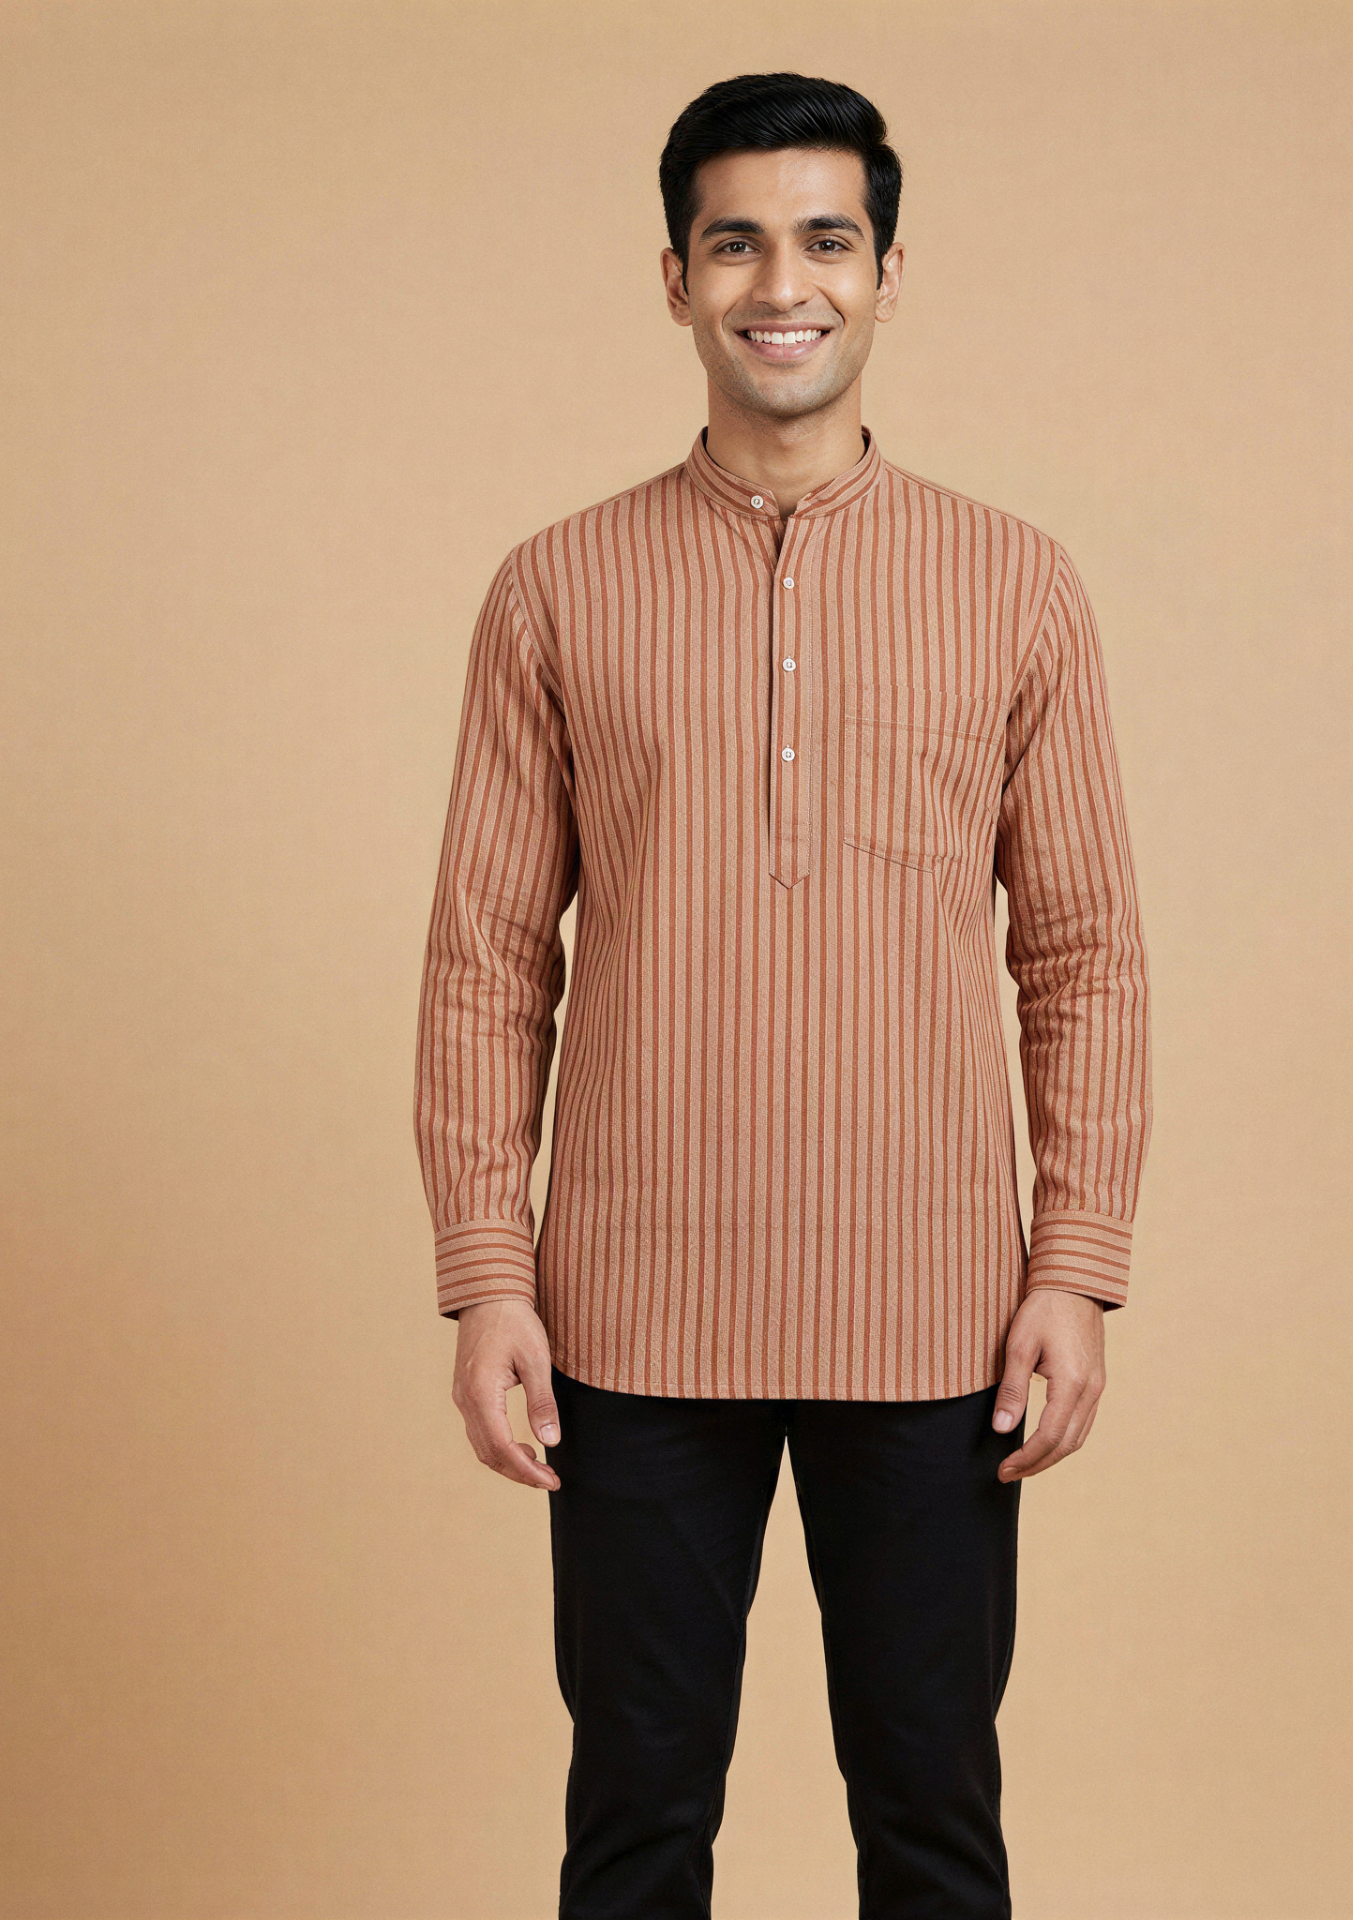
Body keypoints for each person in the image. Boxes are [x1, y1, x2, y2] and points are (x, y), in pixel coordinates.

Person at [413, 69, 1152, 1920]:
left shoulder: (1016, 585)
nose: (782, 283)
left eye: (826, 239)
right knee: (636, 1826)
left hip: (935, 1316)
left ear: (889, 272)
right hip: (631, 1322)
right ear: (675, 279)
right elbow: (487, 959)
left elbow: (1081, 953)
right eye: (735, 242)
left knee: (934, 1825)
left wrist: (1075, 1262)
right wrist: (489, 1276)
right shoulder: (555, 590)